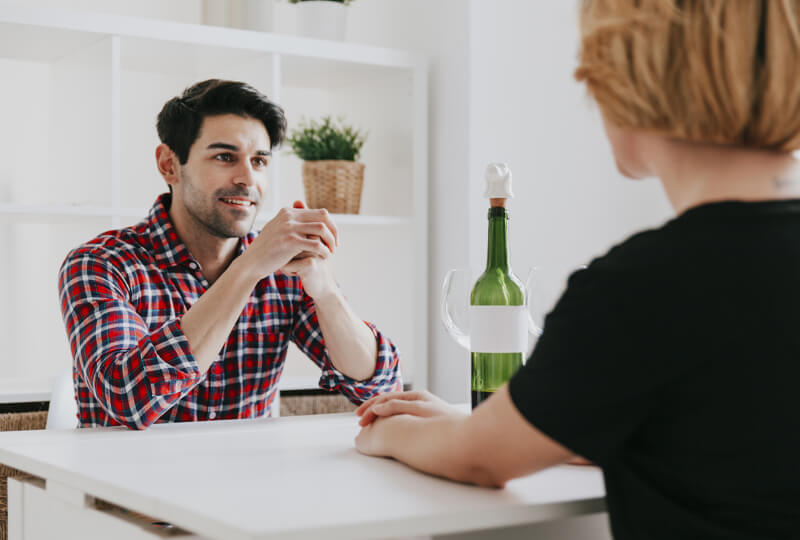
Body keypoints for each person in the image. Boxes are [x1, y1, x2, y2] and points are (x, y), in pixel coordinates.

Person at [354, 1, 800, 539]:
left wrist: (386, 433)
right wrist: (480, 422)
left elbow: (479, 459)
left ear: (631, 86)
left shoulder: (642, 289)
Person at [58, 79, 401, 430]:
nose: (247, 179)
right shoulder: (101, 264)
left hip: (247, 482)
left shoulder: (283, 270)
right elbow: (128, 398)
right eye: (225, 157)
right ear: (168, 165)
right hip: (121, 481)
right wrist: (249, 267)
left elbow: (380, 390)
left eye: (259, 161)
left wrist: (325, 289)